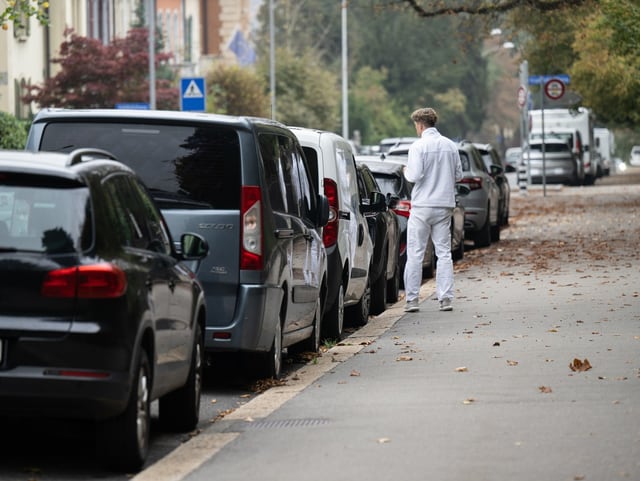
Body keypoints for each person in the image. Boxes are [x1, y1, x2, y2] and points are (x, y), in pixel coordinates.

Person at [403, 107, 463, 313]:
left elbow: (414, 175)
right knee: (444, 252)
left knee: (416, 252)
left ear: (420, 125)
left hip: (422, 206)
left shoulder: (418, 147)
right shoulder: (450, 145)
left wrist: (405, 171)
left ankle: (412, 300)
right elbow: (458, 175)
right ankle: (445, 298)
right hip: (443, 205)